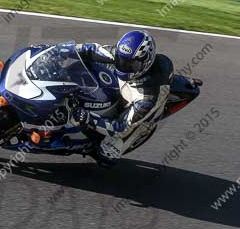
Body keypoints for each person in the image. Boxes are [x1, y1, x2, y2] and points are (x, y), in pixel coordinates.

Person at [74, 30, 173, 167]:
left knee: (108, 152)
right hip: (126, 84)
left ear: (146, 63)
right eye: (121, 60)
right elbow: (91, 50)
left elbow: (121, 128)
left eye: (131, 65)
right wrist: (62, 50)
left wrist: (89, 118)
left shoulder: (148, 97)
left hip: (140, 103)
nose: (124, 66)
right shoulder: (122, 53)